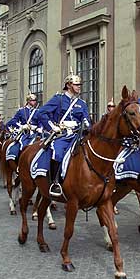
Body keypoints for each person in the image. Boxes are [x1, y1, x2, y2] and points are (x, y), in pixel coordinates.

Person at [38, 69, 91, 197]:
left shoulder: (81, 103)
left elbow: (87, 118)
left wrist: (86, 124)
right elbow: (42, 113)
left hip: (78, 134)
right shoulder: (58, 99)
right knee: (57, 152)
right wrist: (52, 126)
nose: (79, 87)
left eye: (79, 85)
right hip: (62, 134)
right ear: (68, 85)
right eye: (76, 85)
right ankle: (55, 182)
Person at [5, 92, 41, 162]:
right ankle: (19, 160)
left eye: (35, 100)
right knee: (22, 145)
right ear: (28, 101)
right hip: (25, 133)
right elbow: (13, 121)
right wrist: (21, 126)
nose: (34, 102)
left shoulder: (38, 112)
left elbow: (41, 122)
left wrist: (39, 128)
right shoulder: (21, 111)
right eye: (32, 100)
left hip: (36, 133)